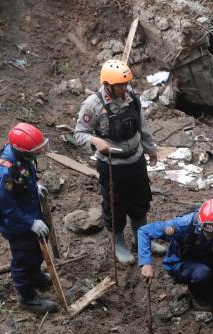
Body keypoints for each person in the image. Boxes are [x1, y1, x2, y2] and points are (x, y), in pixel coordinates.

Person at [74, 59, 165, 264]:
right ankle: (119, 243)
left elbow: (142, 124)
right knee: (115, 206)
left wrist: (150, 149)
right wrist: (95, 140)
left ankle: (142, 239)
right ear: (108, 85)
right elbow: (79, 133)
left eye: (126, 84)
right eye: (120, 85)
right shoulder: (93, 105)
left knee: (140, 202)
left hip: (136, 160)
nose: (125, 88)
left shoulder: (131, 96)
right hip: (113, 167)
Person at [138, 199, 213, 310]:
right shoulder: (183, 225)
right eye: (209, 226)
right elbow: (144, 231)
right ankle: (196, 292)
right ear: (200, 222)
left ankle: (210, 282)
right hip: (183, 263)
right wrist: (146, 263)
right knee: (202, 273)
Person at [0, 123, 57, 313]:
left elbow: (25, 176)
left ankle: (36, 276)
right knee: (23, 260)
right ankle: (27, 297)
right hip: (18, 225)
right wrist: (30, 222)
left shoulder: (23, 156)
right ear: (22, 150)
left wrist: (35, 186)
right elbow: (7, 206)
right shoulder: (4, 172)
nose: (39, 153)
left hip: (30, 212)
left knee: (35, 253)